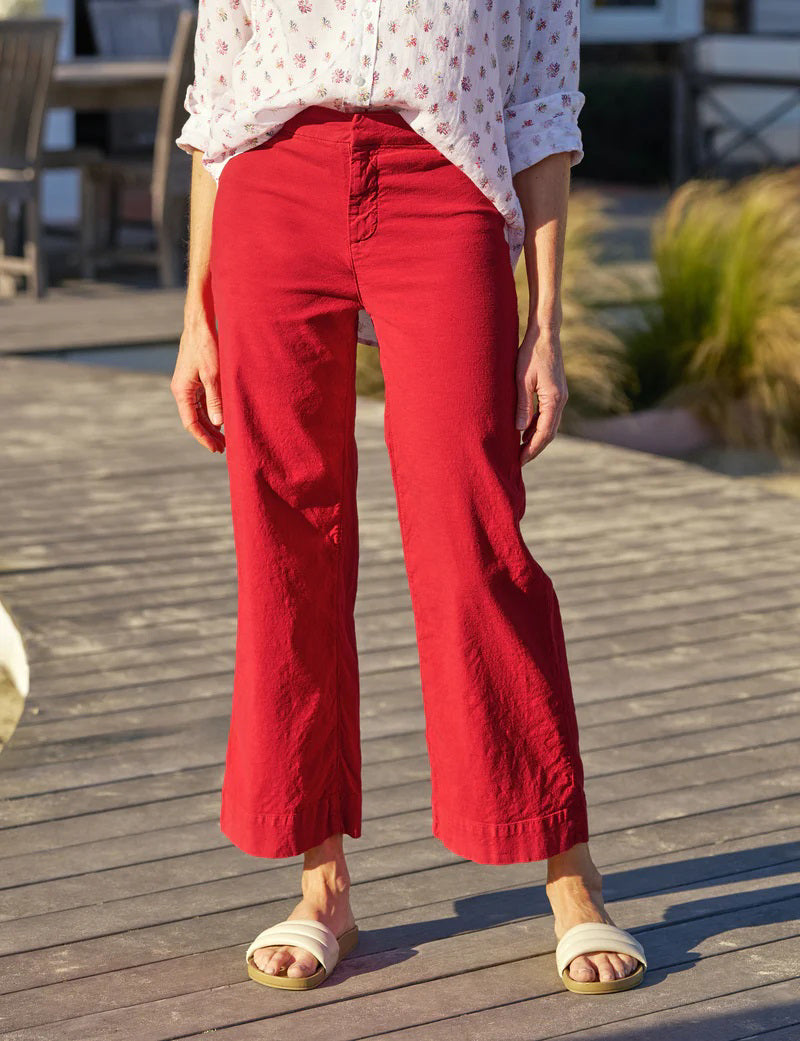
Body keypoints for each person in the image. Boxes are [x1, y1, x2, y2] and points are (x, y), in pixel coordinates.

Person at [171, 0, 647, 996]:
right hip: (272, 187)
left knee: (473, 538)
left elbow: (541, 108)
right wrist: (195, 316)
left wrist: (544, 328)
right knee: (283, 538)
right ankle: (320, 886)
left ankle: (567, 873)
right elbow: (216, 103)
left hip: (445, 187)